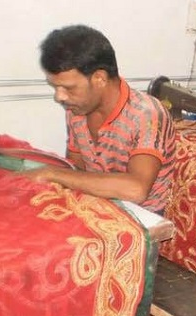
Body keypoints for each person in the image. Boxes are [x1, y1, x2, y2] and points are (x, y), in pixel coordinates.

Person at [23, 24, 175, 214]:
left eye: (68, 88)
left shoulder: (146, 114)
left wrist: (51, 174)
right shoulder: (77, 109)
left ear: (100, 79)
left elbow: (136, 190)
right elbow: (75, 168)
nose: (59, 96)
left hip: (142, 218)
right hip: (97, 205)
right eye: (56, 87)